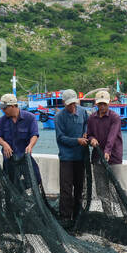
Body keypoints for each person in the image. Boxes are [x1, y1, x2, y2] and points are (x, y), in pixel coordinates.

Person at [53, 90, 90, 223]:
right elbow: (60, 138)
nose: (72, 106)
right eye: (69, 104)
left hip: (80, 157)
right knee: (66, 189)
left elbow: (87, 123)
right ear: (64, 103)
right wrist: (77, 141)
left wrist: (85, 133)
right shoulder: (59, 117)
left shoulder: (83, 112)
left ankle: (77, 214)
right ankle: (65, 217)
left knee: (80, 187)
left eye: (74, 103)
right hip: (66, 157)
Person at [0, 93, 41, 193]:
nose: (3, 110)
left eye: (4, 108)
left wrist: (30, 145)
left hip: (25, 158)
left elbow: (34, 135)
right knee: (9, 185)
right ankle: (13, 200)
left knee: (36, 178)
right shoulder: (2, 120)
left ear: (12, 106)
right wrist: (5, 144)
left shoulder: (30, 118)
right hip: (9, 160)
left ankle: (18, 192)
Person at [86, 90, 123, 168]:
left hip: (114, 157)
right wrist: (92, 139)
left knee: (115, 180)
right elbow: (89, 135)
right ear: (96, 104)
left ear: (109, 103)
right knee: (99, 180)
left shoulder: (115, 117)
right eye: (100, 104)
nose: (102, 106)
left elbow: (112, 136)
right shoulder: (91, 118)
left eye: (104, 104)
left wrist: (107, 151)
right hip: (97, 156)